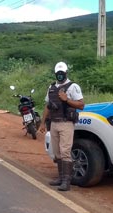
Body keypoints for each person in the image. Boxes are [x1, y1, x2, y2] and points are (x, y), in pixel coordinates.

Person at [40, 61, 84, 191]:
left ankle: (66, 181)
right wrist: (42, 123)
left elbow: (81, 105)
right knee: (57, 152)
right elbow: (47, 106)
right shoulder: (51, 87)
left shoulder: (73, 87)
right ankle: (60, 177)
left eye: (62, 73)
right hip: (54, 123)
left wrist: (66, 100)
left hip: (66, 123)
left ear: (66, 73)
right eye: (58, 73)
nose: (60, 75)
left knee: (65, 152)